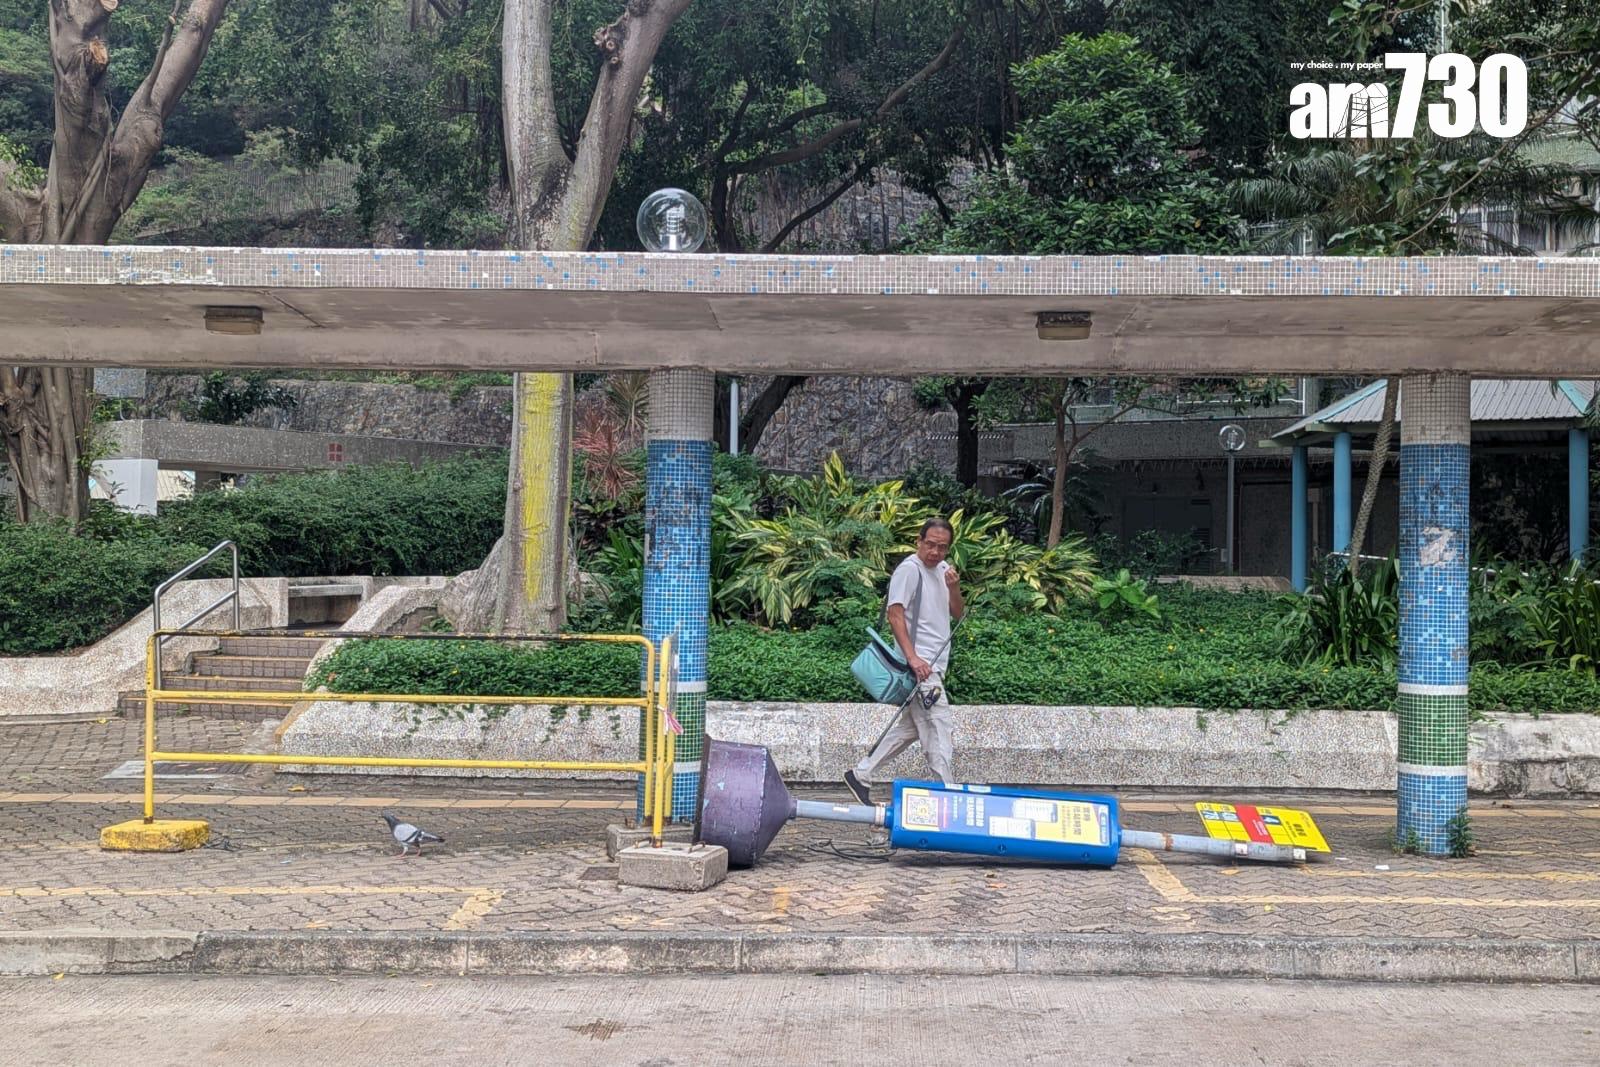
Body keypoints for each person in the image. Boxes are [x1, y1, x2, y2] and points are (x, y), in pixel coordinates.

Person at [844, 517, 964, 803]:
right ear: (918, 541)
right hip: (922, 668)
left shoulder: (944, 570)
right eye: (930, 544)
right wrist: (913, 658)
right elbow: (894, 614)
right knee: (939, 728)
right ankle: (948, 795)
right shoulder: (909, 570)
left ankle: (861, 774)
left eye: (942, 547)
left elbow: (959, 613)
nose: (935, 552)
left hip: (932, 665)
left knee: (910, 729)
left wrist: (954, 587)